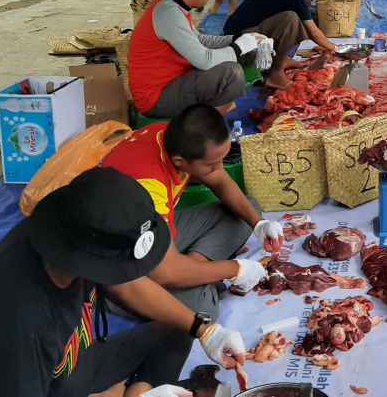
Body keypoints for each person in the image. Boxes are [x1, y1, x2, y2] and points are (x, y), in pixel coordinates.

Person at [0, 168, 251, 397]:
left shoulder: (65, 238)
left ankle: (137, 390)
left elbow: (127, 283)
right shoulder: (25, 319)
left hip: (67, 366)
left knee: (178, 327)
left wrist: (207, 332)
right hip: (23, 385)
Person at [103, 106, 276, 319]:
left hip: (157, 231)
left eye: (221, 159)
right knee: (202, 312)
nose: (219, 168)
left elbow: (218, 178)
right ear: (180, 162)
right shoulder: (147, 186)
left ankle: (193, 269)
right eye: (211, 164)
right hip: (121, 265)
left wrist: (259, 224)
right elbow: (166, 273)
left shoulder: (171, 136)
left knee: (247, 210)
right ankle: (127, 298)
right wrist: (235, 269)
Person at [129, 0, 263, 118]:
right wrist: (237, 47)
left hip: (175, 81)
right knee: (231, 73)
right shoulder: (168, 14)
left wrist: (238, 40)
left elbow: (199, 39)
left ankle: (214, 111)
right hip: (156, 98)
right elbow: (205, 60)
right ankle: (209, 124)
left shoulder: (173, 5)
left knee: (245, 53)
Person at [224, 0, 337, 88]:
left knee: (299, 23)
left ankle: (281, 60)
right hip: (239, 47)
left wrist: (326, 46)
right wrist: (336, 49)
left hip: (241, 38)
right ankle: (275, 73)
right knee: (291, 20)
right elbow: (314, 32)